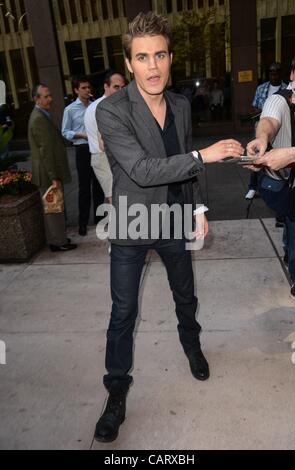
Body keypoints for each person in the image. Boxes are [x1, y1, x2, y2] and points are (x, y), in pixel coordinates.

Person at [93, 12, 244, 443]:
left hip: (175, 218)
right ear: (129, 64)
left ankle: (192, 345)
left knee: (186, 294)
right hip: (131, 222)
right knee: (123, 313)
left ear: (170, 57)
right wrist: (204, 156)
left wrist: (197, 208)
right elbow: (141, 170)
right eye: (142, 57)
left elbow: (181, 165)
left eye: (159, 55)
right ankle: (117, 392)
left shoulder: (179, 105)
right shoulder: (111, 111)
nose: (153, 66)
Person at [247, 53, 295, 302]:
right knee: (294, 221)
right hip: (290, 182)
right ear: (292, 75)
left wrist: (292, 154)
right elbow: (269, 118)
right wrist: (262, 138)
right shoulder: (281, 99)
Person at [28, 84, 77, 252]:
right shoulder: (38, 119)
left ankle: (55, 239)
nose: (50, 99)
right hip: (47, 173)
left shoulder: (41, 115)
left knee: (52, 209)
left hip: (47, 172)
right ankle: (59, 242)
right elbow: (45, 152)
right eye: (46, 96)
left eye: (49, 95)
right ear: (36, 99)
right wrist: (53, 177)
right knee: (54, 209)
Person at [62, 76, 104, 237]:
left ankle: (99, 220)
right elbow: (65, 132)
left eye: (88, 87)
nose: (87, 90)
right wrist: (80, 135)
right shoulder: (70, 109)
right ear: (76, 90)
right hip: (82, 150)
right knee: (84, 188)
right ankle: (83, 223)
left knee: (99, 187)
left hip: (97, 148)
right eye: (84, 88)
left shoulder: (95, 106)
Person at [245, 62, 287, 200]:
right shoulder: (261, 88)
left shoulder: (286, 88)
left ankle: (277, 186)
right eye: (271, 72)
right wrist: (265, 112)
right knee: (256, 156)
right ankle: (253, 187)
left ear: (281, 73)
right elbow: (253, 109)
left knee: (277, 158)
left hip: (280, 129)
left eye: (276, 72)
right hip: (260, 127)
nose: (273, 75)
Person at [84, 70, 126, 203]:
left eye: (122, 87)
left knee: (114, 197)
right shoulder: (102, 107)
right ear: (106, 86)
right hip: (104, 157)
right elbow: (103, 142)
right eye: (116, 87)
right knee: (114, 198)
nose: (120, 91)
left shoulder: (102, 105)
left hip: (107, 156)